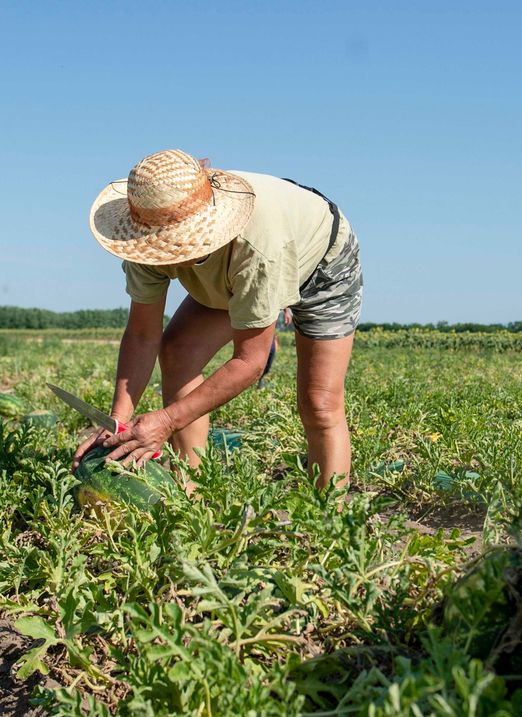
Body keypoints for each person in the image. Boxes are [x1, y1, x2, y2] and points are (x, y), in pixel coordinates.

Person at [75, 149, 363, 488]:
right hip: (231, 270)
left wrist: (167, 421)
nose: (168, 255)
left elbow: (250, 362)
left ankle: (332, 524)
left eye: (175, 244)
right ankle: (191, 492)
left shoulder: (257, 247)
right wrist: (118, 422)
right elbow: (142, 334)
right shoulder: (145, 233)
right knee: (178, 351)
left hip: (321, 263)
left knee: (319, 402)